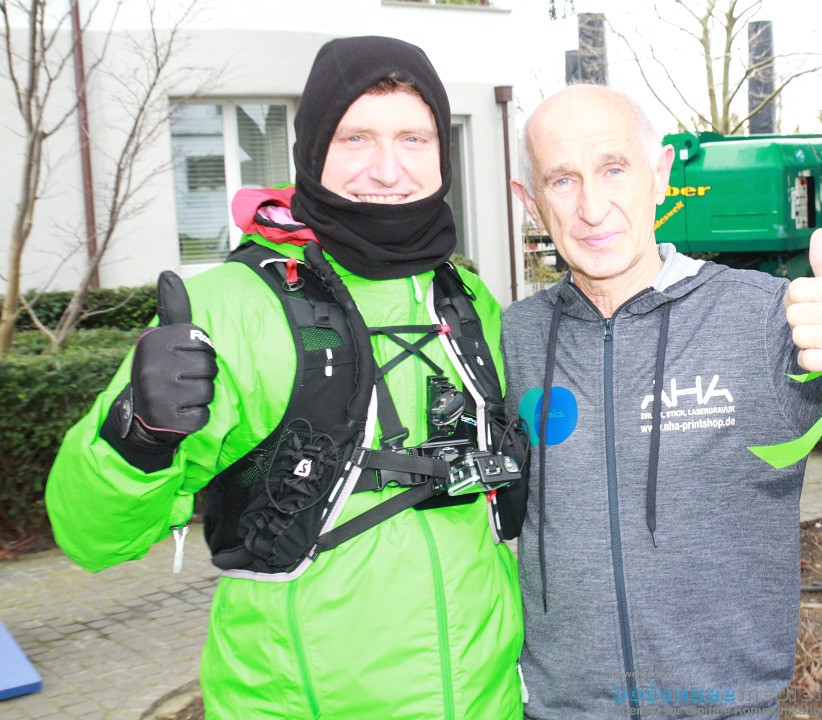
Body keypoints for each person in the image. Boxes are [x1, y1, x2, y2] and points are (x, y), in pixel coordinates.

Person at [46, 37, 526, 719]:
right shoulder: (226, 308)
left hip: (490, 699)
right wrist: (136, 438)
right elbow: (91, 539)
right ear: (311, 150)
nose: (388, 169)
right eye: (356, 137)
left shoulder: (467, 300)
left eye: (414, 138)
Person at [502, 84, 822, 720]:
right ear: (531, 202)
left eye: (614, 169)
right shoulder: (513, 338)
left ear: (659, 175)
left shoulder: (763, 319)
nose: (593, 207)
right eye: (562, 181)